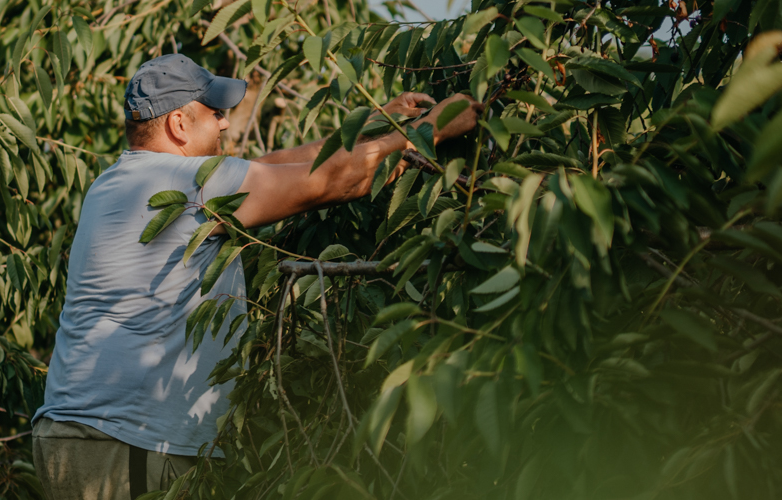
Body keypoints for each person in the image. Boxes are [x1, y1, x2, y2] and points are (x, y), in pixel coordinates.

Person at [31, 53, 477, 500]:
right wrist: (432, 128)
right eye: (215, 113)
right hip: (129, 446)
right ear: (179, 125)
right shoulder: (191, 188)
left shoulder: (122, 182)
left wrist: (373, 130)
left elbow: (272, 164)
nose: (225, 125)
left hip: (80, 436)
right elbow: (335, 182)